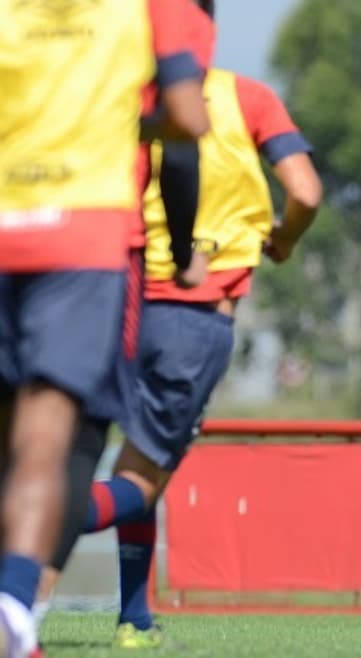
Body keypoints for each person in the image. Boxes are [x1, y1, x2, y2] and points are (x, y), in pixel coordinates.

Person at [38, 49, 323, 648]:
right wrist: (284, 240)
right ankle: (25, 532)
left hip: (108, 300)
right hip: (191, 318)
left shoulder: (119, 93)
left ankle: (133, 617)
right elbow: (305, 191)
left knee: (128, 461)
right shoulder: (248, 98)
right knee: (141, 478)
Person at [0, 1, 210, 656]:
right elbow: (185, 122)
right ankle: (12, 603)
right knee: (51, 433)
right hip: (86, 239)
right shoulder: (155, 7)